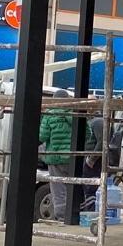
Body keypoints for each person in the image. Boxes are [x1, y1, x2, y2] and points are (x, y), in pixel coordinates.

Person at [39, 91, 73, 222]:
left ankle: (61, 216)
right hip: (72, 158)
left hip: (54, 158)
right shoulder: (75, 114)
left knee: (58, 188)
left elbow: (42, 136)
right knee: (73, 186)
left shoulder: (50, 115)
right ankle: (73, 215)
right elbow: (87, 134)